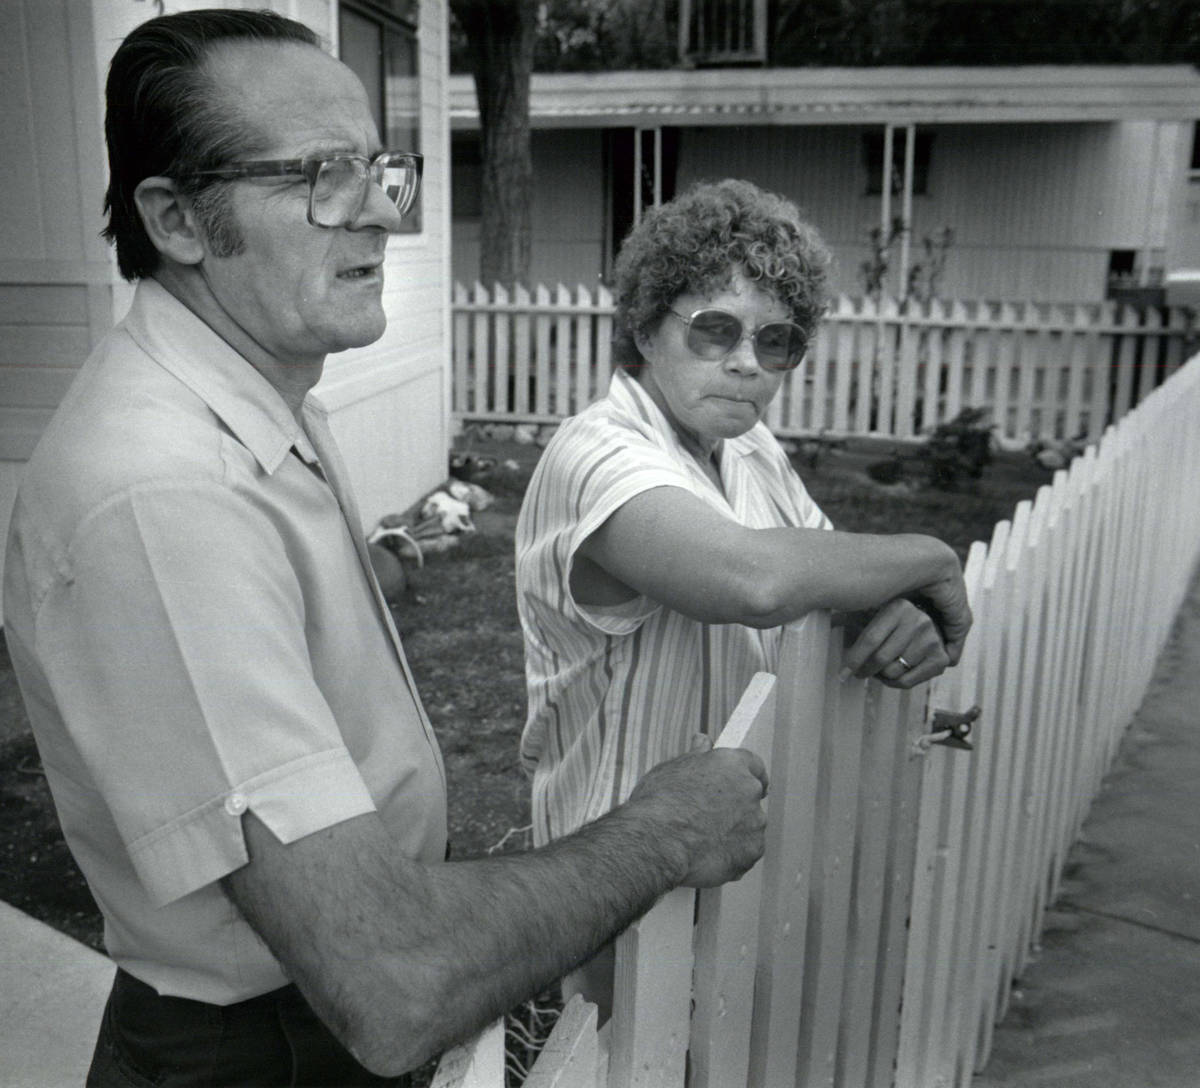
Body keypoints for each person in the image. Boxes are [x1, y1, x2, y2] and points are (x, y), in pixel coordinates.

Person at [2, 12, 769, 1086]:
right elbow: (393, 976)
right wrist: (661, 830)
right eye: (320, 176)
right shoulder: (161, 495)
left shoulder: (254, 393)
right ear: (177, 219)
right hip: (261, 1049)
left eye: (379, 170)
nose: (378, 213)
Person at [515, 179, 973, 1005]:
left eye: (777, 342)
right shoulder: (595, 455)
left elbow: (825, 572)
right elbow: (754, 579)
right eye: (715, 329)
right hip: (618, 880)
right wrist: (931, 557)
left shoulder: (751, 450)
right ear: (647, 327)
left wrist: (893, 613)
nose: (744, 363)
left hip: (737, 850)